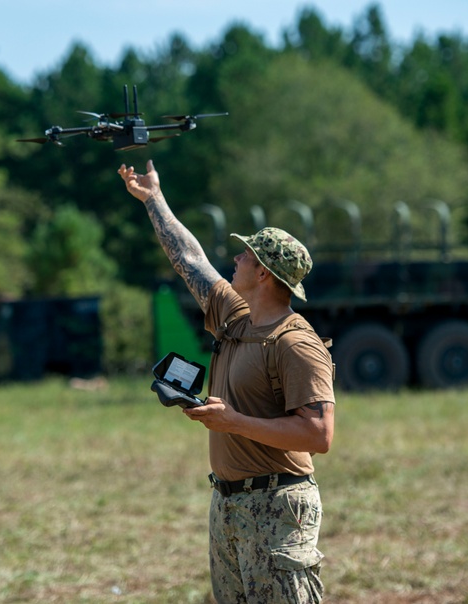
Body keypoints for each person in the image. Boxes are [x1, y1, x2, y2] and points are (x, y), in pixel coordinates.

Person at [118, 159, 336, 603]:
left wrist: (233, 421)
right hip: (229, 504)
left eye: (246, 255)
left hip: (278, 508)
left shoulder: (297, 343)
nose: (234, 259)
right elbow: (190, 260)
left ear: (263, 275)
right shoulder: (236, 318)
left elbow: (319, 434)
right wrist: (153, 198)